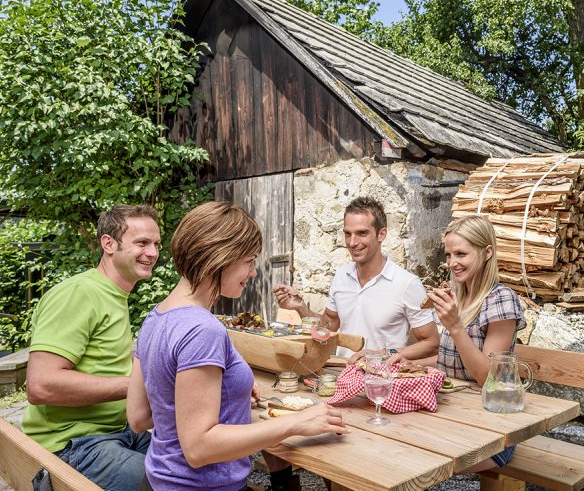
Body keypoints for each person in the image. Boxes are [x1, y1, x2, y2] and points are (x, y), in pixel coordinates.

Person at [127, 201, 349, 491]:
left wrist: (225, 395)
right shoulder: (202, 329)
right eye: (249, 260)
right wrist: (295, 423)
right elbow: (198, 448)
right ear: (220, 257)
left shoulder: (155, 317)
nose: (253, 272)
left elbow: (139, 417)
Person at [23, 204, 161, 491]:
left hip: (119, 432)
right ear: (108, 244)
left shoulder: (114, 294)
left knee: (200, 467)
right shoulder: (79, 293)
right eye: (142, 243)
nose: (152, 253)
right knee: (174, 484)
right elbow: (41, 385)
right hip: (72, 444)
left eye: (156, 244)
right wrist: (136, 385)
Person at [405, 214, 527, 472]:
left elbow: (487, 378)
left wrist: (455, 326)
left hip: (493, 432)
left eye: (461, 254)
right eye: (449, 255)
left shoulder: (501, 300)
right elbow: (453, 360)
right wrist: (410, 363)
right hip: (455, 412)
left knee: (410, 461)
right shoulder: (459, 296)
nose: (452, 263)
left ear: (487, 252)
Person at [273, 196, 439, 361]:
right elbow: (328, 326)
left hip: (382, 375)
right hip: (342, 372)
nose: (352, 242)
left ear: (381, 234)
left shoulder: (407, 283)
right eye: (348, 234)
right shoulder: (341, 276)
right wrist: (300, 308)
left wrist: (383, 354)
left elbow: (431, 343)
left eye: (362, 233)